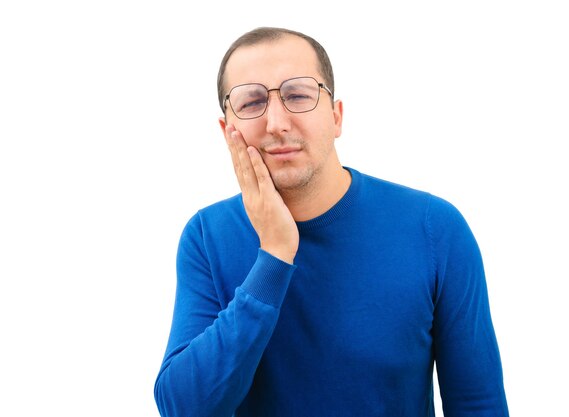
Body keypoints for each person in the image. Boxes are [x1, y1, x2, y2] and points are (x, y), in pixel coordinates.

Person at [154, 27, 509, 417]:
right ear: (227, 131)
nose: (276, 122)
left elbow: (479, 405)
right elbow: (182, 408)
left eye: (298, 95)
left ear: (336, 116)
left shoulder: (434, 229)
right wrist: (274, 255)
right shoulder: (206, 236)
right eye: (251, 102)